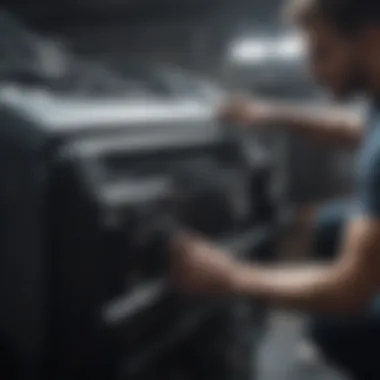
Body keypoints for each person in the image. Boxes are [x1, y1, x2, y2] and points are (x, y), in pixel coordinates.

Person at [169, 1, 380, 379]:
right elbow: (354, 130)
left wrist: (229, 276)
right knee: (333, 225)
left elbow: (351, 290)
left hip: (356, 290)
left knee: (332, 327)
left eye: (322, 52)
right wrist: (270, 113)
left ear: (369, 39)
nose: (312, 70)